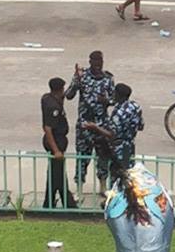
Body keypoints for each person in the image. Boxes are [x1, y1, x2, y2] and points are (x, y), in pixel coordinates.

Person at [64, 51, 115, 196]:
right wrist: (76, 80)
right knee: (82, 158)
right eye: (96, 61)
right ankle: (79, 189)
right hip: (84, 126)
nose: (99, 65)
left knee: (103, 157)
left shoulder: (108, 79)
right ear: (90, 61)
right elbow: (68, 95)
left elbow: (115, 99)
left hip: (101, 125)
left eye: (101, 61)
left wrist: (107, 101)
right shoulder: (82, 76)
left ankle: (103, 187)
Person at [82, 82, 144, 169]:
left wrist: (95, 127)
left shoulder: (118, 114)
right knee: (128, 171)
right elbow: (141, 126)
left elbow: (112, 135)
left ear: (118, 95)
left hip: (119, 148)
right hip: (130, 145)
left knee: (118, 174)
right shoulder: (135, 106)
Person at [42, 77, 77, 209]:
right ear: (59, 90)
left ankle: (58, 202)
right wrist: (56, 150)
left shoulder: (47, 98)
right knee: (57, 174)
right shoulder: (54, 107)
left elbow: (62, 98)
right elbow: (48, 128)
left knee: (57, 173)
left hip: (56, 140)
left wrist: (75, 78)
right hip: (56, 141)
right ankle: (58, 203)